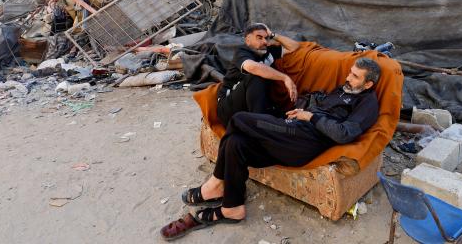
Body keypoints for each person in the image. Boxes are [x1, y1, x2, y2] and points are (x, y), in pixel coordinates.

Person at [160, 58, 381, 240]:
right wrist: (304, 106)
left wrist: (310, 116)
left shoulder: (367, 103)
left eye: (354, 76)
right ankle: (232, 207)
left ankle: (214, 185)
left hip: (305, 141)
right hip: (291, 132)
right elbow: (319, 105)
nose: (347, 77)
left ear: (369, 84)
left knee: (239, 120)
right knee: (237, 143)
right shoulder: (344, 89)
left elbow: (344, 133)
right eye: (350, 72)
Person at [217, 23, 300, 126]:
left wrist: (273, 34)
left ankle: (263, 122)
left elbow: (294, 47)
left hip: (253, 105)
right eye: (259, 38)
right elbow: (252, 67)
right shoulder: (242, 52)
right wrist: (285, 78)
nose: (265, 41)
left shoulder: (269, 51)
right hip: (227, 108)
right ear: (248, 40)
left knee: (289, 118)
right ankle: (259, 128)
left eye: (266, 38)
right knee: (256, 76)